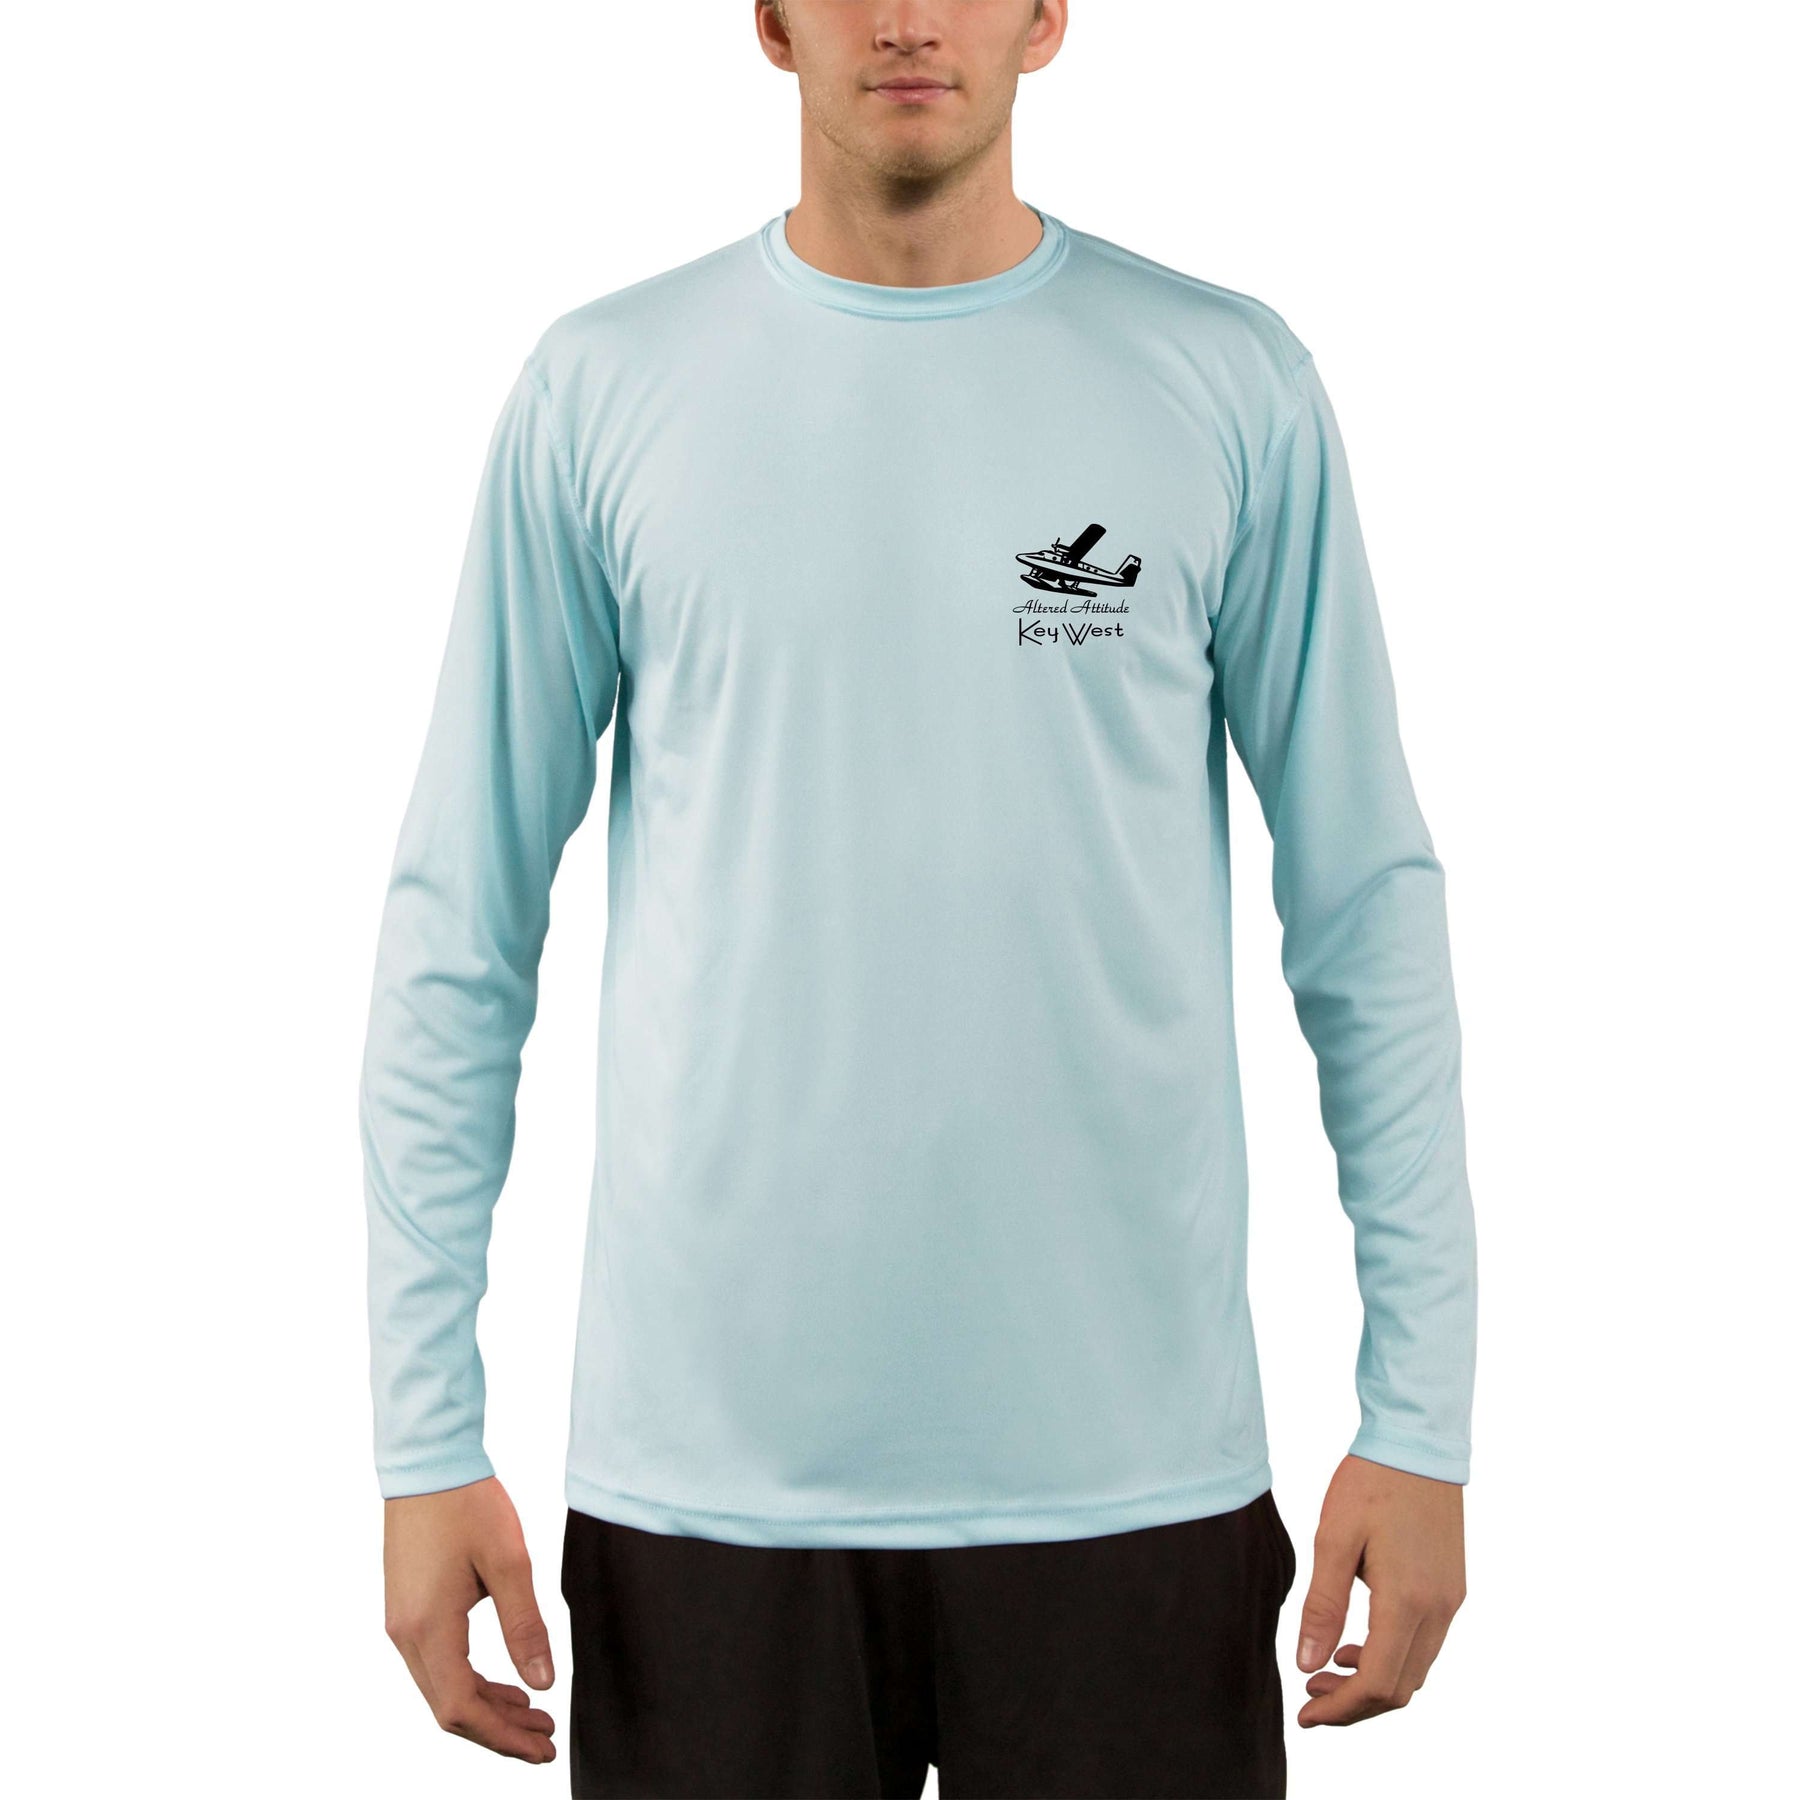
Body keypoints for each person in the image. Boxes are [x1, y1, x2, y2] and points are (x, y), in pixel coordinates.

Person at [359, 3, 1476, 1794]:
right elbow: (459, 930)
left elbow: (1366, 912)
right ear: (768, 19)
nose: (903, 17)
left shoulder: (1224, 381)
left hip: (1133, 1492)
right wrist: (425, 1441)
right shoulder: (605, 390)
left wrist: (1421, 1419)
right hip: (709, 1506)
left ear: (1047, 16)